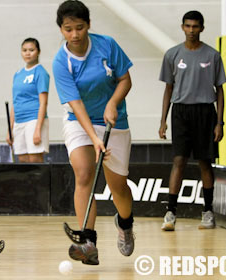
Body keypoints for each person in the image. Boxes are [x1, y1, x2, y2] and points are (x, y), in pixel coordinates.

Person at [53, 0, 135, 265]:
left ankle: (125, 223)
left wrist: (113, 103)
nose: (75, 34)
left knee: (118, 187)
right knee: (84, 173)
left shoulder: (107, 45)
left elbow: (125, 79)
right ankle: (88, 241)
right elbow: (75, 105)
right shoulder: (60, 62)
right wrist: (94, 138)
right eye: (68, 29)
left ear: (88, 25)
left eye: (79, 27)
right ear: (61, 30)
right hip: (80, 121)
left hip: (114, 120)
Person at [159, 10, 226, 231]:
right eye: (187, 26)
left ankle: (208, 212)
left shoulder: (213, 55)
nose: (191, 30)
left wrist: (219, 122)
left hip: (205, 113)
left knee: (205, 162)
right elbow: (168, 89)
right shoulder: (172, 55)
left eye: (195, 26)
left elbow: (220, 90)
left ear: (202, 28)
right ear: (182, 27)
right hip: (180, 113)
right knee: (179, 161)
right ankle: (170, 213)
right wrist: (163, 120)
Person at [7, 38, 50, 163]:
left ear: (38, 52)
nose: (27, 53)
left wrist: (38, 129)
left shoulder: (40, 72)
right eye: (24, 50)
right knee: (23, 160)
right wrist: (10, 129)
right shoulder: (18, 74)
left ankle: (39, 184)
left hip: (34, 120)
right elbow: (15, 102)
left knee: (34, 160)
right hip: (19, 122)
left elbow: (43, 103)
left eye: (31, 50)